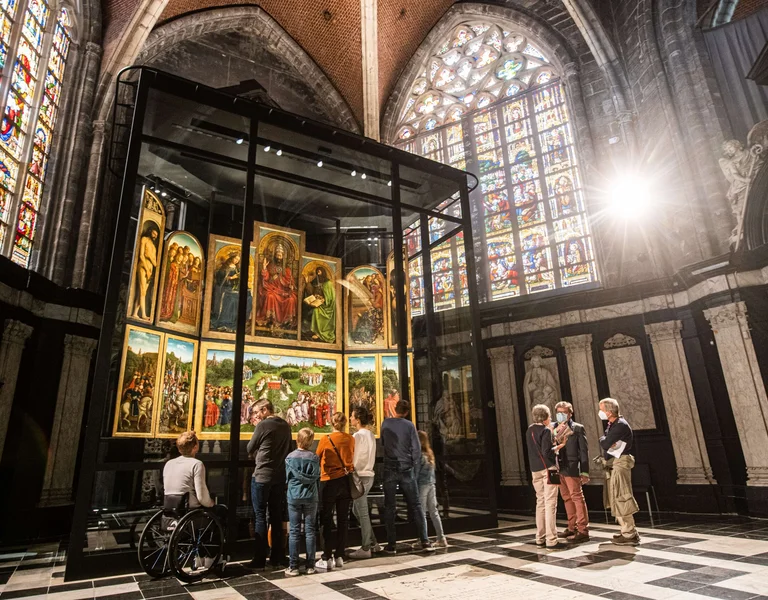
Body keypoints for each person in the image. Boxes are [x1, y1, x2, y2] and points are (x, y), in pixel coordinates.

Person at [381, 399, 434, 554]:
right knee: (416, 505)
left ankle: (391, 544)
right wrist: (412, 464)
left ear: (394, 409)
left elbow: (383, 443)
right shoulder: (409, 425)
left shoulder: (386, 423)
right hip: (406, 468)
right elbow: (416, 449)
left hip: (390, 467)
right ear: (406, 412)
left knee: (390, 506)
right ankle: (424, 540)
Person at [246, 400, 292, 569]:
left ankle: (259, 558)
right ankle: (277, 555)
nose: (255, 415)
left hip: (262, 476)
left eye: (257, 411)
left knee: (260, 516)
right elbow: (289, 449)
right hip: (279, 476)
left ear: (265, 409)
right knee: (276, 515)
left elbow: (250, 447)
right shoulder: (285, 426)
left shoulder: (263, 425)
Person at [315, 412, 355, 570]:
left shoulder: (326, 439)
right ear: (345, 423)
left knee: (326, 519)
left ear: (332, 423)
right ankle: (340, 555)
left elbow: (317, 456)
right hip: (344, 480)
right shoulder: (350, 439)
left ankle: (326, 556)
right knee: (343, 520)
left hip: (328, 480)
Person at [598, 397, 640, 545]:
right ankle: (626, 530)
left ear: (609, 412)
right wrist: (606, 439)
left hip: (621, 462)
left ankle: (629, 534)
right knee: (616, 496)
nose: (600, 412)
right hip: (616, 462)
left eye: (602, 409)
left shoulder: (620, 425)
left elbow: (605, 443)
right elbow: (608, 442)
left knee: (621, 495)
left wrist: (604, 439)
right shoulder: (614, 424)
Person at [527, 404, 565, 551]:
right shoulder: (545, 430)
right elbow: (546, 452)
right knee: (550, 503)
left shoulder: (529, 429)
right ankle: (551, 539)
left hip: (534, 469)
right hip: (548, 469)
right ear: (545, 417)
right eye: (549, 416)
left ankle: (540, 537)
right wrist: (558, 447)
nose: (550, 419)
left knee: (540, 502)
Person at [284, 427, 320, 577]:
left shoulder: (289, 458)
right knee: (310, 531)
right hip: (311, 496)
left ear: (297, 439)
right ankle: (310, 565)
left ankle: (294, 566)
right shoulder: (314, 458)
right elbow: (316, 477)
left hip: (294, 496)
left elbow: (287, 479)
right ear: (311, 442)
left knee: (294, 531)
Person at [553, 401, 590, 543]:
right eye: (558, 413)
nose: (561, 415)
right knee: (566, 497)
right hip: (559, 466)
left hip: (572, 466)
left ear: (570, 414)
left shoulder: (577, 428)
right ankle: (571, 526)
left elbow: (583, 451)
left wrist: (585, 471)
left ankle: (582, 529)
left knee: (577, 497)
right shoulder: (554, 428)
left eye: (564, 413)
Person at [348, 406, 380, 559]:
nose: (350, 418)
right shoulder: (371, 435)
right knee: (357, 511)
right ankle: (374, 543)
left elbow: (355, 456)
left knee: (363, 512)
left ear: (358, 420)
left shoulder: (357, 436)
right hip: (369, 475)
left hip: (360, 476)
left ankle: (366, 547)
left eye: (352, 416)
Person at [416, 430, 447, 548]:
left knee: (422, 512)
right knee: (434, 512)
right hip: (431, 484)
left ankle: (423, 539)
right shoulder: (430, 454)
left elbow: (417, 472)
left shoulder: (419, 455)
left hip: (422, 485)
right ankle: (441, 537)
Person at [131, 222, 159, 319]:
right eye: (154, 233)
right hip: (143, 265)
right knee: (142, 291)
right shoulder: (144, 239)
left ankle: (135, 313)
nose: (155, 235)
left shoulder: (154, 246)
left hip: (150, 267)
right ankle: (143, 314)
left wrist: (150, 257)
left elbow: (156, 263)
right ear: (150, 231)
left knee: (143, 292)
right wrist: (147, 269)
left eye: (156, 235)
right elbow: (141, 255)